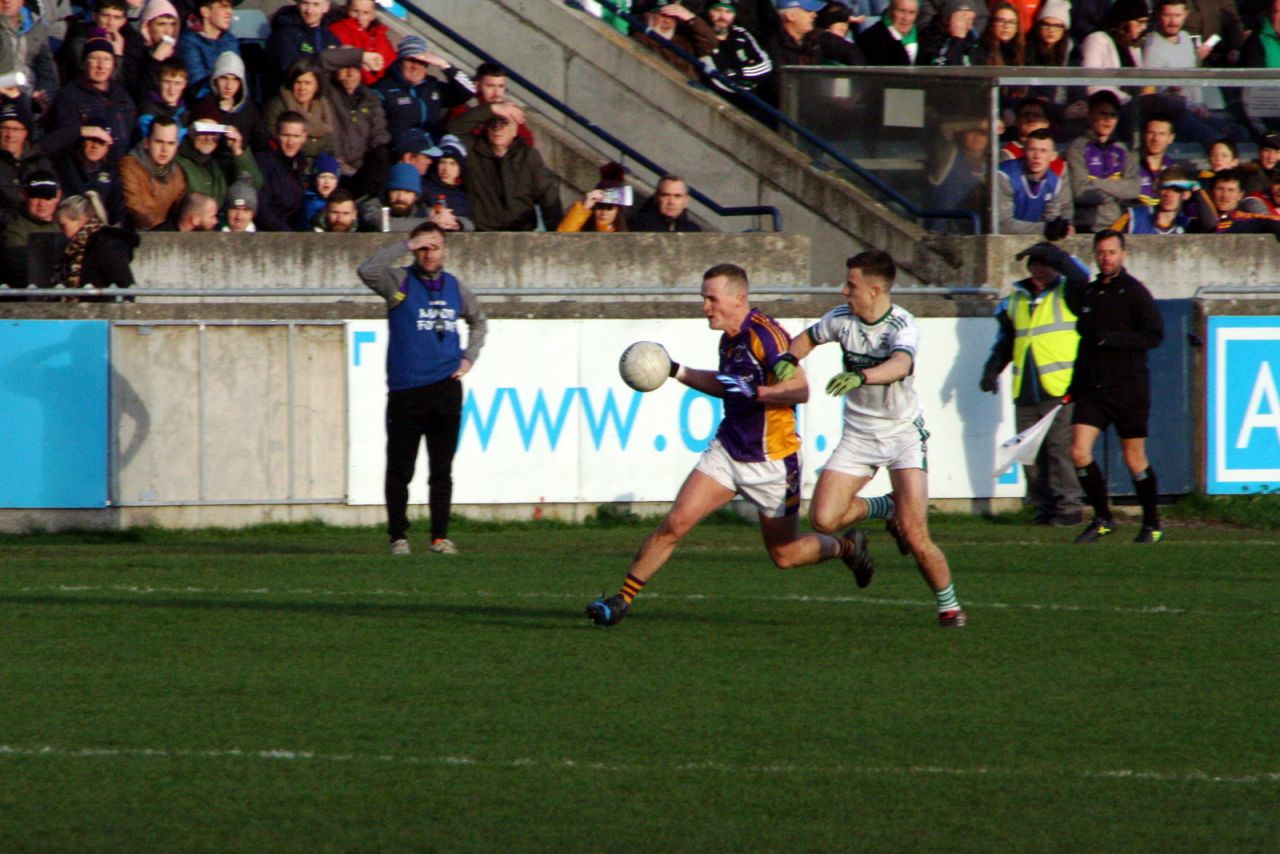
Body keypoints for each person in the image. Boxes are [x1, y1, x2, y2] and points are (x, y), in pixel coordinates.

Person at [584, 262, 875, 628]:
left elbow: (800, 389)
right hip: (728, 449)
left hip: (773, 461)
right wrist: (676, 370)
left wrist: (760, 391)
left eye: (711, 298)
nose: (705, 306)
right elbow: (726, 384)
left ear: (739, 299)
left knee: (784, 555)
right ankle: (621, 601)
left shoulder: (767, 336)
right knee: (675, 523)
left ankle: (848, 547)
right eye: (703, 298)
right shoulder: (729, 340)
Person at [778, 251, 965, 627]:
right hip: (859, 434)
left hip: (902, 435)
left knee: (915, 535)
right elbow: (807, 338)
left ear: (875, 290)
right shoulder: (842, 318)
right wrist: (788, 358)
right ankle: (885, 508)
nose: (844, 290)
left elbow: (901, 364)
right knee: (824, 519)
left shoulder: (902, 325)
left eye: (851, 285)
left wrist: (862, 377)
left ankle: (949, 607)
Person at [357, 222, 488, 556]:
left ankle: (439, 538)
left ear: (445, 251)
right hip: (406, 390)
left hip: (445, 388)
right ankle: (398, 537)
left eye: (435, 247)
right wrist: (406, 242)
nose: (430, 253)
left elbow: (479, 321)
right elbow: (366, 269)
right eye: (424, 247)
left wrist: (468, 359)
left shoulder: (456, 287)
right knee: (401, 468)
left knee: (441, 470)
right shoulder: (399, 282)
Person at [981, 241, 1087, 526]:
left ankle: (1069, 508)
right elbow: (1006, 342)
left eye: (1046, 264)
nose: (1040, 270)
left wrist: (1062, 257)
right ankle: (1044, 509)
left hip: (1059, 386)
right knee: (1029, 454)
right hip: (1025, 390)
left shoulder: (1069, 292)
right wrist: (992, 371)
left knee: (1058, 450)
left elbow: (1081, 277)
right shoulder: (1015, 299)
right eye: (1036, 264)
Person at [1069, 230, 1165, 544]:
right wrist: (1074, 384)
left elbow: (1153, 335)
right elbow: (1085, 343)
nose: (1106, 258)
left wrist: (1112, 340)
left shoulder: (1135, 293)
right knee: (1079, 452)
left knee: (1134, 459)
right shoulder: (1090, 292)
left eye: (1112, 252)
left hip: (1128, 388)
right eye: (1101, 252)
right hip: (1092, 389)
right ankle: (1103, 517)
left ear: (1123, 255)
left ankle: (1152, 522)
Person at [445, 109, 560, 231]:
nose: (497, 128)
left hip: (521, 233)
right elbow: (453, 129)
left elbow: (548, 195)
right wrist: (491, 108)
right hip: (482, 233)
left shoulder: (528, 156)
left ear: (515, 130)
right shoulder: (473, 151)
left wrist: (556, 232)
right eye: (492, 123)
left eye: (504, 123)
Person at [43, 35, 139, 163]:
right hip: (83, 171)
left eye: (106, 60)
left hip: (118, 170)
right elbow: (63, 139)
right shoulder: (68, 96)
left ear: (113, 65)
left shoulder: (122, 96)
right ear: (83, 63)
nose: (101, 66)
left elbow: (133, 133)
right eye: (94, 58)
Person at [1065, 90, 1141, 233]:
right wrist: (1118, 191)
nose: (1108, 120)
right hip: (1085, 227)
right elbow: (1080, 192)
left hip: (1119, 227)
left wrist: (1096, 183)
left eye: (1113, 115)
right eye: (1102, 113)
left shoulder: (1122, 149)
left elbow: (1134, 189)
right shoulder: (1076, 148)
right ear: (1090, 115)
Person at [374, 34, 474, 142]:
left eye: (421, 61)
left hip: (431, 152)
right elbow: (376, 130)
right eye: (410, 60)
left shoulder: (432, 86)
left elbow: (469, 90)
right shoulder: (383, 90)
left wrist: (445, 65)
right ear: (399, 62)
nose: (415, 66)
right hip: (399, 154)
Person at [53, 192, 139, 293]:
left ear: (81, 219)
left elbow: (125, 286)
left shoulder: (106, 244)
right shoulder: (72, 249)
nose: (61, 232)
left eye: (64, 226)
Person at [997, 127, 1074, 235]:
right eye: (1032, 150)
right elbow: (1002, 225)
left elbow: (1051, 220)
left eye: (1043, 151)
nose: (1037, 156)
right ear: (1023, 152)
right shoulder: (1004, 176)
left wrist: (1060, 228)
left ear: (1053, 156)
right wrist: (1045, 229)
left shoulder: (1055, 183)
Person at [177, 113, 262, 208]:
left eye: (213, 132)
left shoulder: (218, 165)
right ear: (191, 134)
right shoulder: (178, 164)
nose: (208, 138)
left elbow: (252, 185)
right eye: (203, 132)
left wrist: (237, 150)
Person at [194, 51, 270, 155]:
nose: (229, 86)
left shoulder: (248, 108)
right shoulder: (204, 106)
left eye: (235, 80)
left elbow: (261, 142)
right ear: (215, 79)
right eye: (224, 78)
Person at [119, 115, 187, 230]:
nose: (164, 149)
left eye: (170, 143)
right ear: (146, 142)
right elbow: (134, 207)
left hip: (167, 236)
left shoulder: (177, 173)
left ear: (177, 146)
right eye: (159, 142)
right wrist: (165, 229)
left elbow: (181, 207)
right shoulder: (130, 166)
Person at [263, 57, 337, 163]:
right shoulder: (277, 106)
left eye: (307, 83)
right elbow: (276, 142)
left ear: (317, 86)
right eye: (298, 82)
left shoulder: (324, 106)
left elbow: (330, 144)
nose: (302, 88)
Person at [1, 170, 61, 288]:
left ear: (58, 196)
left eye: (47, 197)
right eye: (35, 197)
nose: (42, 204)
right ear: (24, 196)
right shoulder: (16, 228)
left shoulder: (64, 223)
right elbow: (19, 268)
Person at [254, 111, 309, 231]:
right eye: (286, 135)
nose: (290, 142)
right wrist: (286, 233)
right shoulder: (264, 162)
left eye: (296, 136)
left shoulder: (300, 164)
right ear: (277, 134)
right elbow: (261, 208)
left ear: (304, 137)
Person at [0, 99, 52, 218]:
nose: (9, 135)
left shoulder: (38, 160)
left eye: (16, 129)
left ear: (25, 133)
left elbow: (54, 197)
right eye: (4, 128)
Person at [177, 0, 239, 100]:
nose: (230, 12)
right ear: (205, 12)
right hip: (204, 104)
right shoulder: (188, 41)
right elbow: (197, 86)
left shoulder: (231, 40)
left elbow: (238, 79)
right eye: (223, 7)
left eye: (230, 7)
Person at [1112, 164, 1198, 233]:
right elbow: (1108, 241)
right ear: (1157, 190)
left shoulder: (1188, 224)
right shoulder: (1134, 217)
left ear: (1186, 194)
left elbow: (1211, 227)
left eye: (1177, 189)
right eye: (1165, 188)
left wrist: (1198, 189)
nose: (1169, 194)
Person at [329, 0, 397, 86]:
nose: (359, 17)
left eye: (365, 13)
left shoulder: (380, 35)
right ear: (347, 10)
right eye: (355, 11)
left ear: (373, 15)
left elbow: (390, 62)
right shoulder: (337, 30)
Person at [556, 161, 631, 232]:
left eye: (609, 207)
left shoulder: (622, 234)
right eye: (600, 207)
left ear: (617, 211)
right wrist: (585, 208)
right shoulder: (584, 228)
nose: (603, 213)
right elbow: (562, 235)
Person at [357, 160, 431, 231]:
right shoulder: (371, 206)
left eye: (407, 192)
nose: (400, 197)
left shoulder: (422, 209)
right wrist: (428, 223)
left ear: (416, 196)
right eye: (395, 191)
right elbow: (385, 226)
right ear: (387, 192)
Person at [918, 0, 984, 66]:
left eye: (971, 19)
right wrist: (958, 40)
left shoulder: (971, 39)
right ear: (949, 18)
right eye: (964, 19)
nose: (970, 27)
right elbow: (948, 70)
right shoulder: (930, 37)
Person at [629, 174, 702, 231]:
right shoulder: (638, 226)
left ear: (686, 200)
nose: (671, 202)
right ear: (656, 197)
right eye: (665, 195)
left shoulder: (693, 230)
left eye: (677, 196)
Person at [856, 0, 921, 65]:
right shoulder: (870, 39)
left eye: (911, 12)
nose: (906, 18)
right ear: (890, 11)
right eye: (901, 11)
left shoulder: (923, 38)